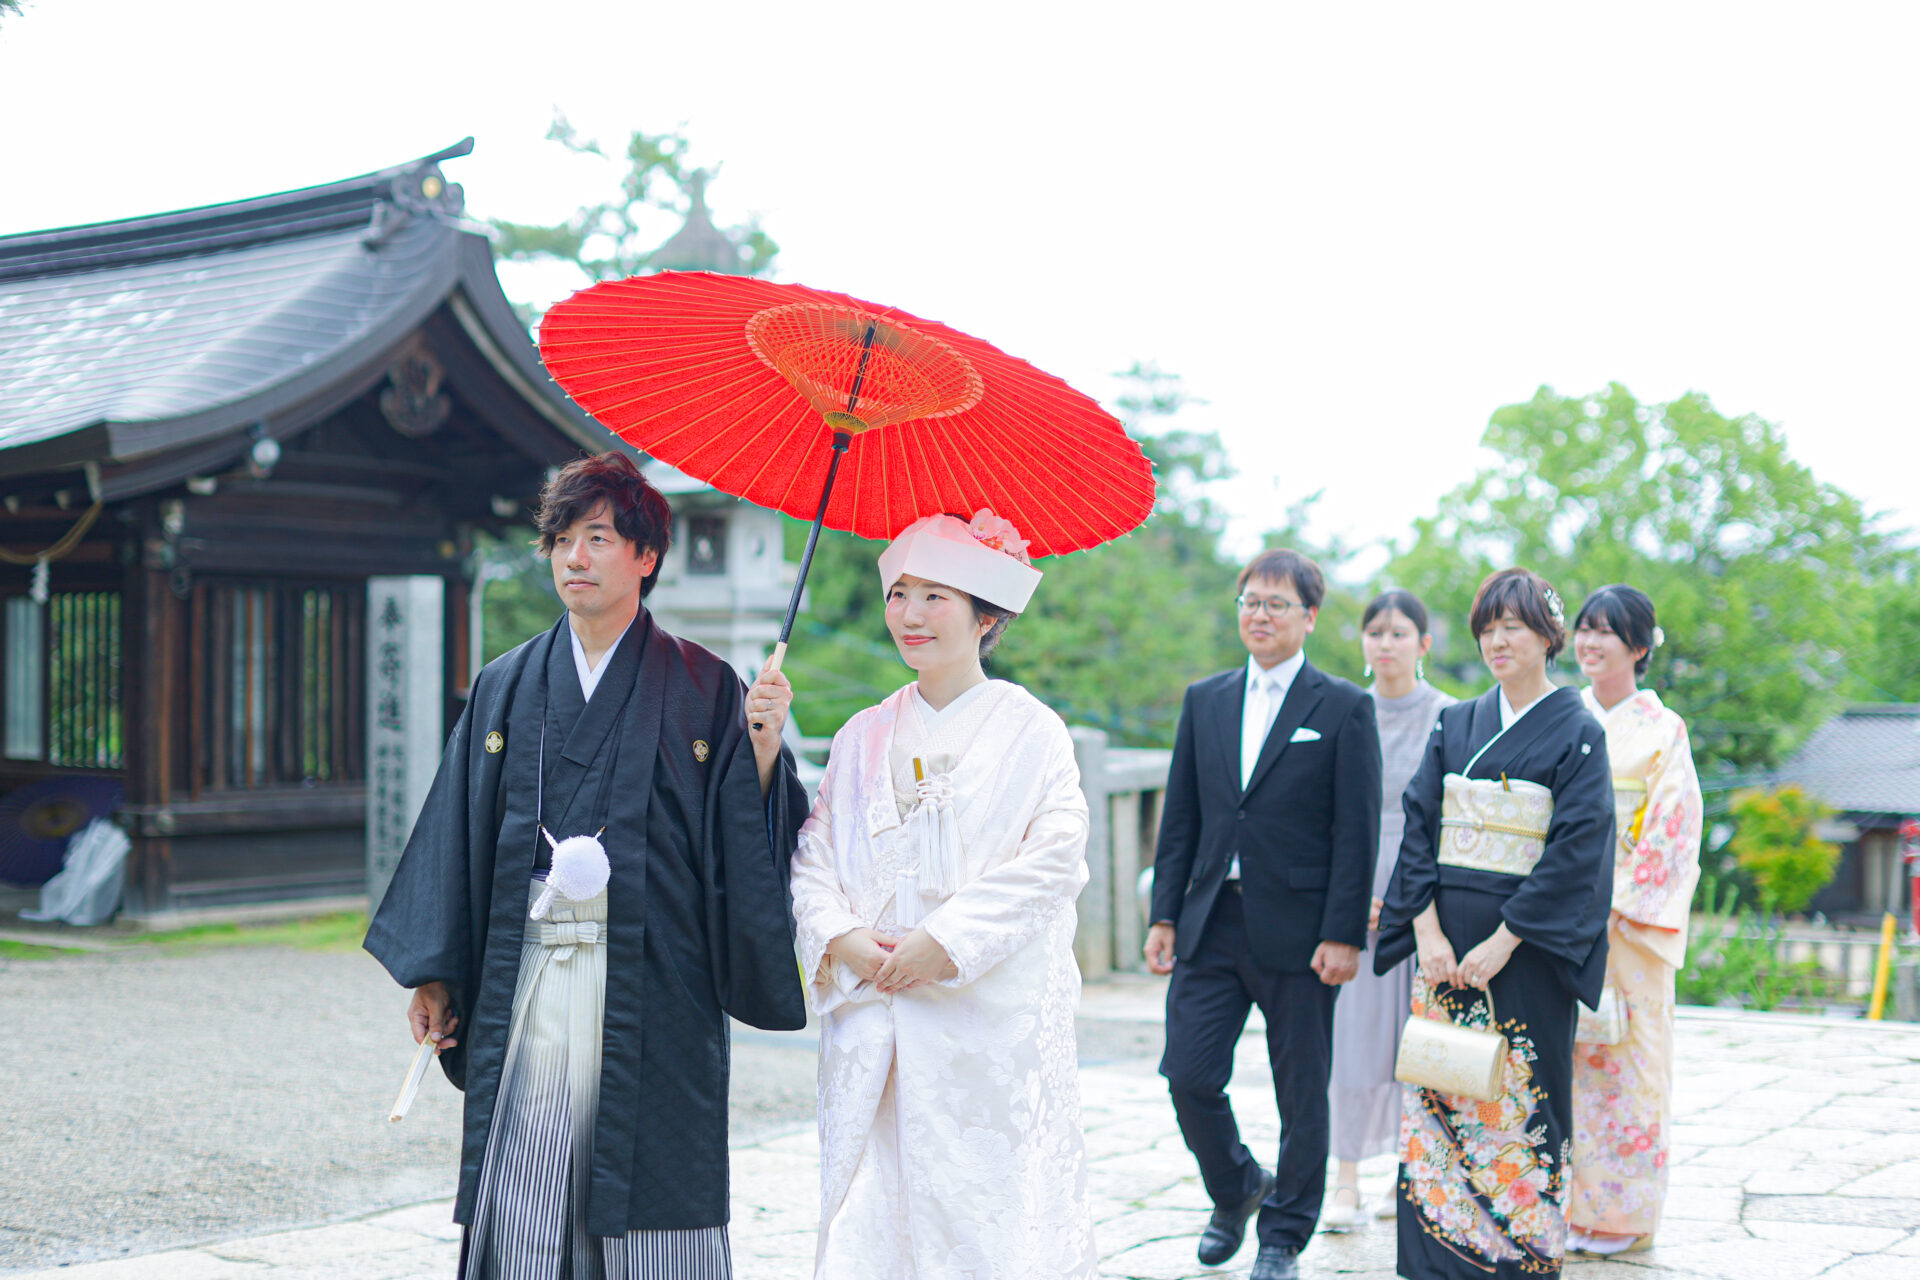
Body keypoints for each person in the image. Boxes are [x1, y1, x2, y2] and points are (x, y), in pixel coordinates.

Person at [363, 452, 809, 1280]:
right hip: (528, 969)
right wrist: (435, 974)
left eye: (599, 538)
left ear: (645, 556)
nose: (575, 557)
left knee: (651, 1176)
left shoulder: (708, 686)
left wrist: (761, 746)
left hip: (653, 980)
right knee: (529, 1164)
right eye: (563, 537)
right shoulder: (504, 685)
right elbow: (456, 833)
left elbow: (744, 839)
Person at [788, 510, 1099, 1279]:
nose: (910, 615)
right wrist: (844, 938)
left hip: (979, 1017)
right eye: (899, 593)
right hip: (875, 1006)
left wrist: (945, 942)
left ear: (986, 616)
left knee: (978, 1207)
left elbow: (1056, 858)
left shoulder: (1035, 731)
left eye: (935, 596)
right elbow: (814, 853)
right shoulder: (863, 732)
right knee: (872, 1206)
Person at [1146, 548, 1383, 1280]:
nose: (1260, 615)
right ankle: (1238, 1187)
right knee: (1188, 1074)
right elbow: (1181, 816)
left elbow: (1358, 831)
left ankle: (1283, 1236)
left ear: (1309, 617)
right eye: (1250, 601)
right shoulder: (1206, 699)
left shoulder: (1342, 706)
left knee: (1301, 1093)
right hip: (1211, 919)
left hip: (1305, 932)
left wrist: (1344, 933)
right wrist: (1164, 915)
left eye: (1277, 604)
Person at [1376, 567, 1615, 1280]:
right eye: (1487, 628)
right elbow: (1420, 823)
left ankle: (1515, 1258)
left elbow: (1579, 849)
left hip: (1527, 953)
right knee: (1440, 1089)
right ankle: (1433, 1257)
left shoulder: (1578, 730)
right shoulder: (1457, 721)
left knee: (1518, 1099)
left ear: (1549, 636)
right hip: (1445, 948)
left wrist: (1507, 939)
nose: (1497, 641)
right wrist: (1426, 934)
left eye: (1513, 626)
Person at [1566, 585, 1701, 1256]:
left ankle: (1622, 1215)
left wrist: (1612, 903)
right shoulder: (1563, 715)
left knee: (1630, 1065)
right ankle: (1565, 1205)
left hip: (1626, 928)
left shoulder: (1662, 730)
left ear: (1639, 648)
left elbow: (1674, 830)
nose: (1589, 642)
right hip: (1562, 919)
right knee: (1564, 1062)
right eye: (1584, 629)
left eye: (1607, 633)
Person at [1324, 590, 1455, 1229]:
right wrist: (1350, 897)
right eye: (1375, 632)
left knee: (1418, 1038)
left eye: (1400, 632)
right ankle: (1345, 1177)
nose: (1386, 643)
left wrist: (1410, 899)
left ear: (1424, 645)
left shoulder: (1451, 717)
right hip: (1355, 887)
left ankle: (1410, 1172)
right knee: (1352, 1039)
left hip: (1427, 895)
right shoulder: (1347, 711)